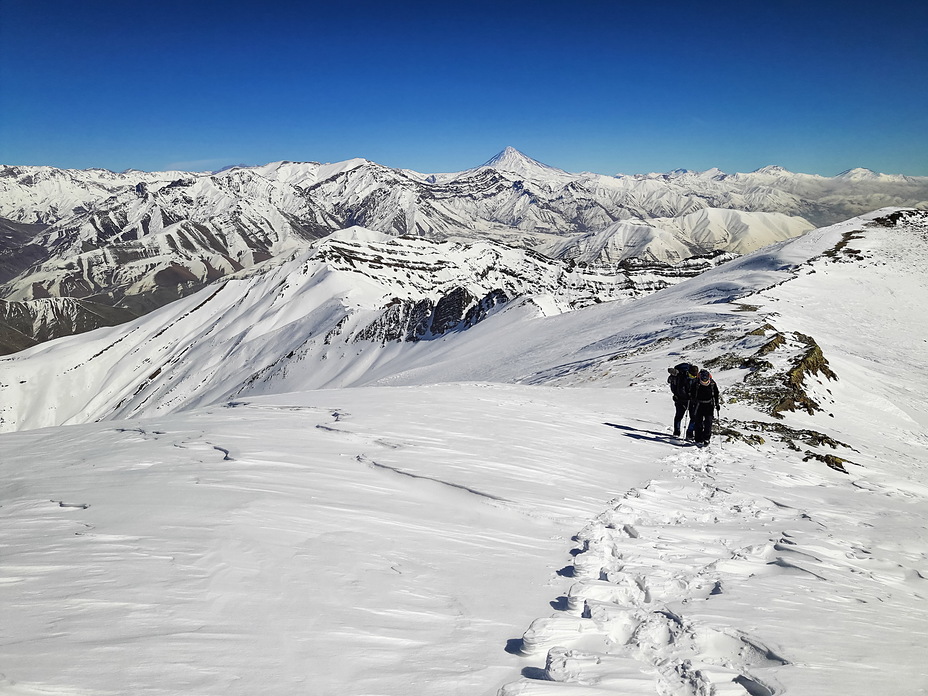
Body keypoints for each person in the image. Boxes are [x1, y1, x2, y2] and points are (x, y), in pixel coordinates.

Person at [689, 369, 721, 447]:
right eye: (703, 378)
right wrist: (692, 401)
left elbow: (716, 394)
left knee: (708, 423)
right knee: (698, 423)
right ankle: (698, 438)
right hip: (699, 405)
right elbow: (692, 393)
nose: (704, 380)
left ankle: (706, 438)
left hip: (709, 405)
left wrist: (717, 404)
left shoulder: (712, 384)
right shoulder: (696, 384)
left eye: (705, 379)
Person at [667, 362, 699, 439]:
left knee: (691, 417)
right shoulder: (682, 377)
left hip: (689, 400)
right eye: (692, 375)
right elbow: (681, 389)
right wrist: (688, 396)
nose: (693, 377)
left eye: (695, 375)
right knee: (681, 416)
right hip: (682, 399)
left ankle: (685, 433)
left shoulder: (695, 377)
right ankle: (682, 433)